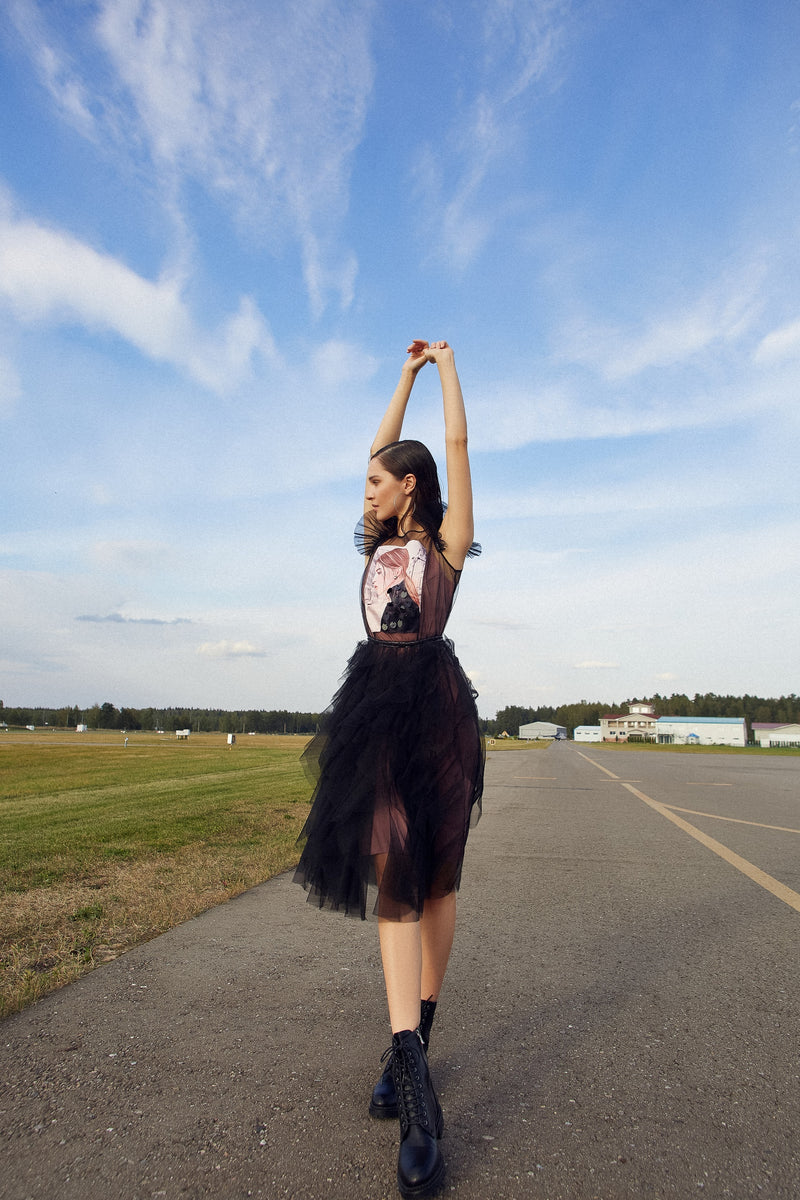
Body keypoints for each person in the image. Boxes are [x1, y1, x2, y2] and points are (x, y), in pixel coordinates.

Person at [294, 339, 484, 1199]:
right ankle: (414, 1094)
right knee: (393, 878)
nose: (365, 489)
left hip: (436, 717)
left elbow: (456, 452)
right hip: (374, 712)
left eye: (378, 478)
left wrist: (445, 371)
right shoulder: (374, 540)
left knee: (437, 883)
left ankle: (416, 1043)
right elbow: (381, 450)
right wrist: (399, 379)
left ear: (409, 487)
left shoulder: (445, 547)